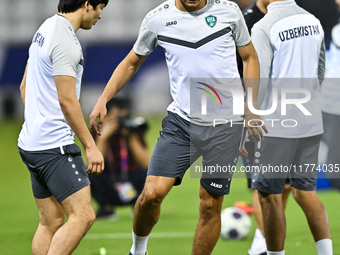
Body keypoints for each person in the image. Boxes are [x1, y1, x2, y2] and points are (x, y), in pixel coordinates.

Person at [90, 0, 267, 254]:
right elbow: (131, 62)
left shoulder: (228, 11)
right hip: (182, 122)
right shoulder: (158, 19)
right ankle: (137, 250)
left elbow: (249, 57)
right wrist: (103, 99)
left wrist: (251, 106)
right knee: (151, 194)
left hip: (226, 126)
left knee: (209, 204)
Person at [17, 0, 108, 254]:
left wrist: (39, 120)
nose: (100, 16)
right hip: (54, 146)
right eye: (100, 7)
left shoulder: (44, 29)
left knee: (51, 221)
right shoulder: (66, 40)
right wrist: (90, 145)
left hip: (31, 143)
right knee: (83, 215)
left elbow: (25, 86)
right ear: (88, 5)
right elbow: (67, 100)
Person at [249, 0, 332, 254]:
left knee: (269, 196)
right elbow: (320, 72)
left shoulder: (264, 26)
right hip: (309, 121)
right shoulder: (312, 21)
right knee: (305, 191)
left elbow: (259, 78)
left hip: (276, 125)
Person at [237, 1, 291, 254]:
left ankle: (261, 239)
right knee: (262, 185)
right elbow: (241, 66)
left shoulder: (289, 18)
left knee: (285, 183)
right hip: (256, 112)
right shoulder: (247, 21)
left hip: (286, 112)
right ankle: (270, 247)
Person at [89, 97, 149, 219]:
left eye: (123, 118)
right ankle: (106, 208)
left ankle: (139, 206)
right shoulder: (96, 132)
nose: (119, 122)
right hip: (109, 183)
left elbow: (146, 163)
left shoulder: (133, 132)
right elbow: (93, 162)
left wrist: (131, 138)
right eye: (115, 118)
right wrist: (103, 137)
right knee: (90, 173)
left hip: (131, 180)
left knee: (150, 173)